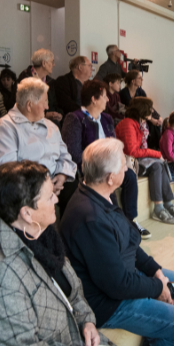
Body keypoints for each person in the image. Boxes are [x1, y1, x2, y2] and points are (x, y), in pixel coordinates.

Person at [60, 139, 174, 346]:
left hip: (121, 279)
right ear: (110, 178)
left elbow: (129, 242)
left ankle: (154, 339)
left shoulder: (102, 194)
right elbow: (118, 285)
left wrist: (156, 271)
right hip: (107, 302)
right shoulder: (90, 218)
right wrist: (156, 287)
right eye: (123, 164)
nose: (127, 167)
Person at [0, 161, 106, 346]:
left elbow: (73, 290)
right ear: (27, 213)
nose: (56, 200)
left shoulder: (41, 233)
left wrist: (87, 321)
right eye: (49, 196)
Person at [61, 79, 150, 239]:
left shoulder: (106, 119)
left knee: (129, 176)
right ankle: (115, 228)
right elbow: (73, 152)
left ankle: (130, 220)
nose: (108, 99)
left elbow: (115, 145)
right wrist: (100, 165)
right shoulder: (75, 118)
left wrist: (119, 162)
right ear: (94, 99)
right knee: (108, 183)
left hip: (109, 166)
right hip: (89, 169)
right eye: (104, 96)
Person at [0, 77, 77, 215]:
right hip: (26, 192)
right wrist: (44, 188)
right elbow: (8, 173)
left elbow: (65, 157)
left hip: (55, 184)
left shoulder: (52, 126)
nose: (48, 107)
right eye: (45, 102)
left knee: (76, 189)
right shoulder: (5, 128)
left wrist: (63, 175)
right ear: (29, 105)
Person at [115, 97, 174, 225]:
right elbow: (132, 152)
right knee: (157, 165)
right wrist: (156, 154)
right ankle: (158, 208)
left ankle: (167, 204)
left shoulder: (140, 124)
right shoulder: (128, 124)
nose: (152, 111)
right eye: (150, 108)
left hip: (137, 160)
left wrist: (156, 156)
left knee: (160, 164)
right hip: (128, 163)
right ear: (142, 109)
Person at [17, 49, 63, 124]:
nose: (53, 65)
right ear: (44, 63)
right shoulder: (24, 79)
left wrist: (59, 114)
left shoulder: (51, 82)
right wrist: (46, 114)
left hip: (49, 123)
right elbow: (22, 105)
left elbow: (55, 103)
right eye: (52, 62)